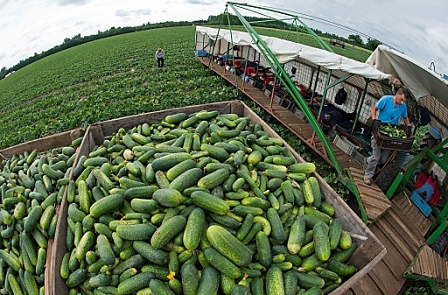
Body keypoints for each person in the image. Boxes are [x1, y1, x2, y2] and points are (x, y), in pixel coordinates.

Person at [363, 86, 412, 184]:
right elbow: (374, 109)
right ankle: (368, 176)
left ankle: (368, 160)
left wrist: (409, 127)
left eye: (404, 101)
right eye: (401, 99)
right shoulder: (386, 99)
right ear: (397, 94)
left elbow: (405, 117)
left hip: (390, 134)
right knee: (376, 157)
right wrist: (374, 120)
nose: (402, 102)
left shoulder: (403, 106)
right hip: (380, 131)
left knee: (383, 159)